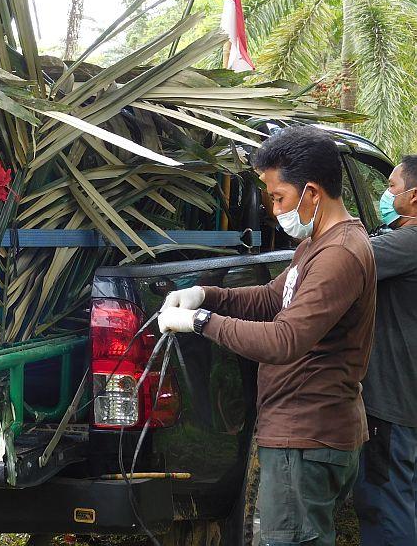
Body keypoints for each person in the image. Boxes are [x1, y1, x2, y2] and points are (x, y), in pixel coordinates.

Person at [158, 126, 377, 546]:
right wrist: (208, 294)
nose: (274, 210)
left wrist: (202, 322)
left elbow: (284, 340)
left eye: (278, 198)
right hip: (297, 432)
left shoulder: (340, 254)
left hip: (309, 434)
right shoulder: (316, 243)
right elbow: (272, 298)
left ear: (312, 192)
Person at [352, 155, 417, 546]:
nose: (385, 195)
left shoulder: (407, 243)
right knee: (403, 496)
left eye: (391, 187)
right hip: (406, 399)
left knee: (384, 501)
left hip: (391, 400)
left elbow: (342, 258)